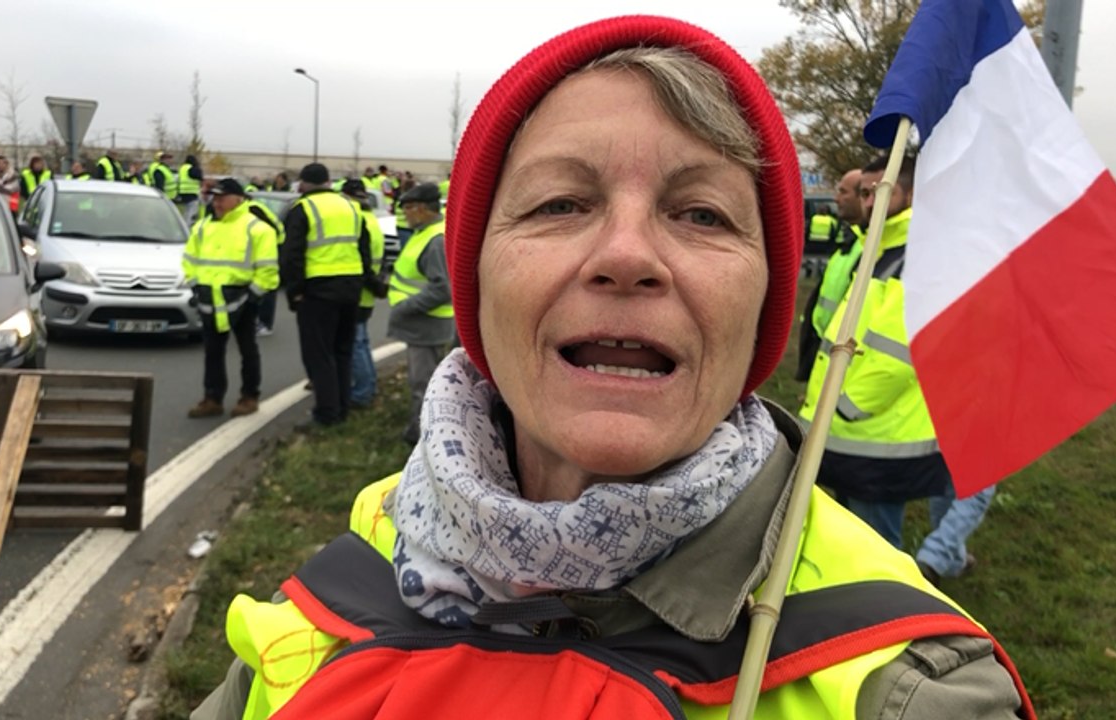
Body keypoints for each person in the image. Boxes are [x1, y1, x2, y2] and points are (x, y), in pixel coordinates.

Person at [192, 16, 1031, 720]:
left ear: (762, 300)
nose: (627, 256)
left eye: (701, 213)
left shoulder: (910, 686)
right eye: (560, 203)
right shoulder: (341, 583)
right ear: (478, 276)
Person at [799, 155, 950, 551]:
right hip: (850, 431)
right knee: (848, 540)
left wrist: (843, 406)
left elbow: (898, 355)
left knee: (874, 550)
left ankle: (887, 613)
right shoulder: (877, 249)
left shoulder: (919, 255)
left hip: (876, 436)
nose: (868, 203)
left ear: (914, 194)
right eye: (865, 193)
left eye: (880, 192)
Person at [280, 162, 374, 426]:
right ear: (328, 182)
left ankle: (326, 414)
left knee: (319, 355)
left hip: (317, 291)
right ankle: (342, 408)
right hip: (351, 289)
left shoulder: (303, 208)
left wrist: (295, 291)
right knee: (342, 352)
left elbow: (292, 255)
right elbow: (363, 251)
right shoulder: (351, 207)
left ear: (304, 183)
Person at [183, 178, 280, 419]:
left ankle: (249, 396)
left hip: (242, 297)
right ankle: (212, 398)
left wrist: (253, 295)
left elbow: (268, 269)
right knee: (213, 351)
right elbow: (189, 260)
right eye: (214, 198)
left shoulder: (257, 228)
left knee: (247, 349)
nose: (217, 202)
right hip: (210, 298)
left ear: (239, 199)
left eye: (222, 198)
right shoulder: (203, 227)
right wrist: (195, 286)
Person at [386, 181, 451, 444]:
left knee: (422, 386)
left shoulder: (435, 239)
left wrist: (404, 307)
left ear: (423, 209)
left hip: (426, 324)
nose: (405, 214)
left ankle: (422, 440)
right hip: (423, 324)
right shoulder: (426, 231)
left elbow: (442, 288)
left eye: (409, 208)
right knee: (426, 383)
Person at [795, 168, 865, 381]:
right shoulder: (849, 241)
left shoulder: (869, 248)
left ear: (865, 196)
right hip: (823, 343)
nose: (837, 198)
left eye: (843, 192)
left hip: (846, 356)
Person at [341, 178, 386, 408]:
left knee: (356, 343)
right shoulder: (371, 218)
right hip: (368, 290)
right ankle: (368, 386)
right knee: (362, 341)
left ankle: (363, 391)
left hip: (358, 289)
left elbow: (362, 260)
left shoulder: (356, 220)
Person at [243, 196, 285, 336]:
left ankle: (265, 323)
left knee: (267, 285)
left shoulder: (253, 208)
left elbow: (271, 229)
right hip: (256, 248)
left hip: (272, 246)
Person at [177, 154, 204, 221]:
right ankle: (188, 225)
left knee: (186, 210)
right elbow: (199, 177)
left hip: (182, 191)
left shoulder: (182, 168)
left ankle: (183, 223)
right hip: (191, 192)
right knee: (191, 211)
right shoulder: (192, 168)